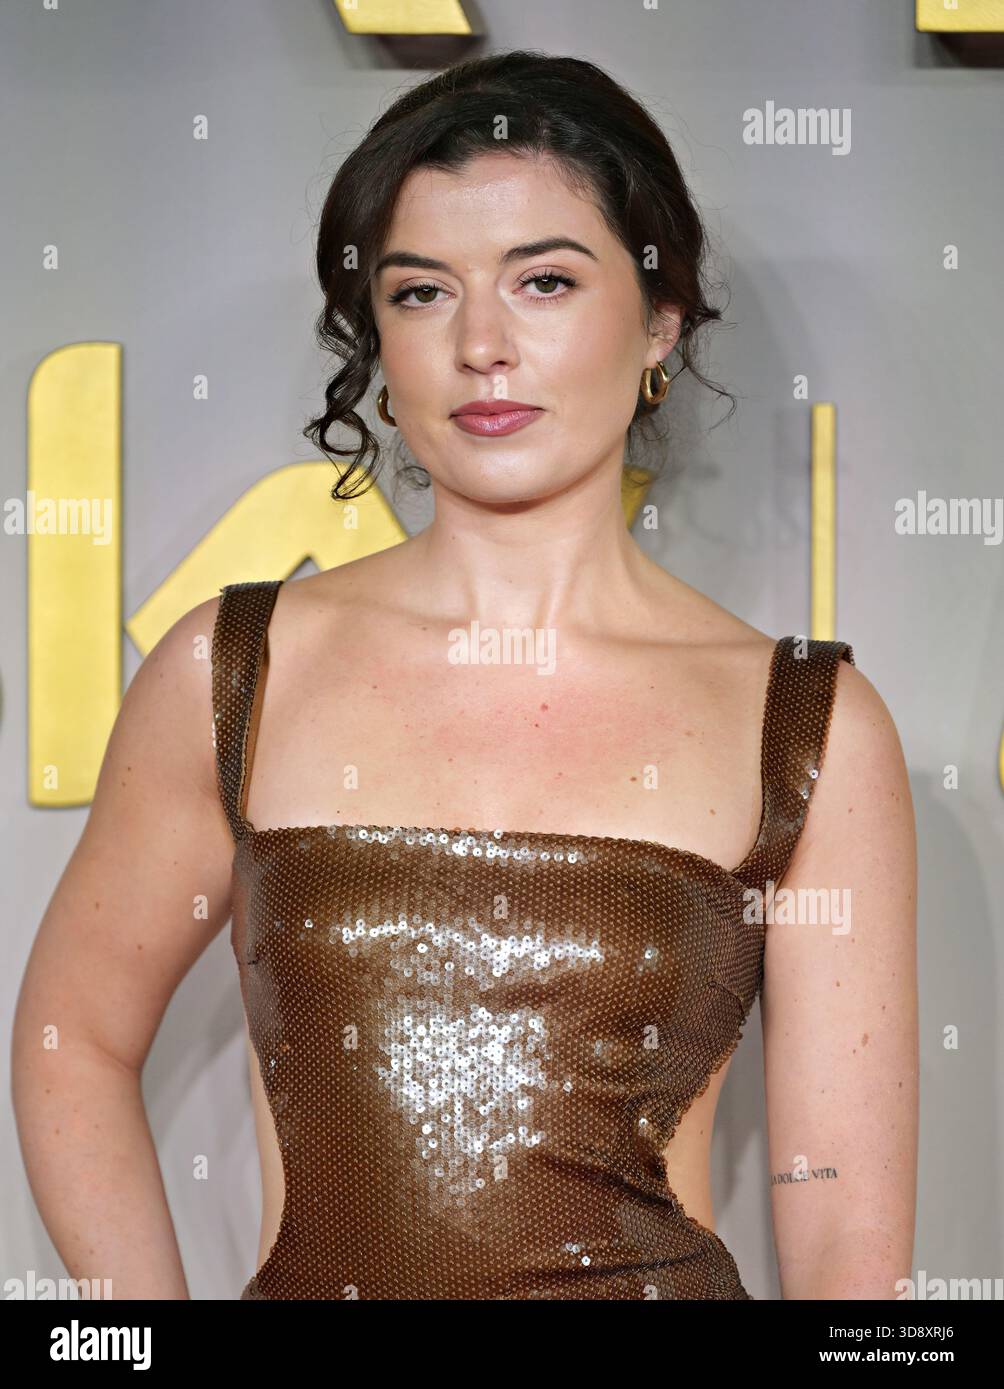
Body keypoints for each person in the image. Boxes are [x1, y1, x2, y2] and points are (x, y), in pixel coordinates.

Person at [12, 50, 917, 1300]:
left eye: (543, 280)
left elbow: (842, 1245)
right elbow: (74, 1043)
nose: (482, 344)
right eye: (424, 292)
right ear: (377, 336)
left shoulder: (806, 724)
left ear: (658, 319)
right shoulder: (233, 672)